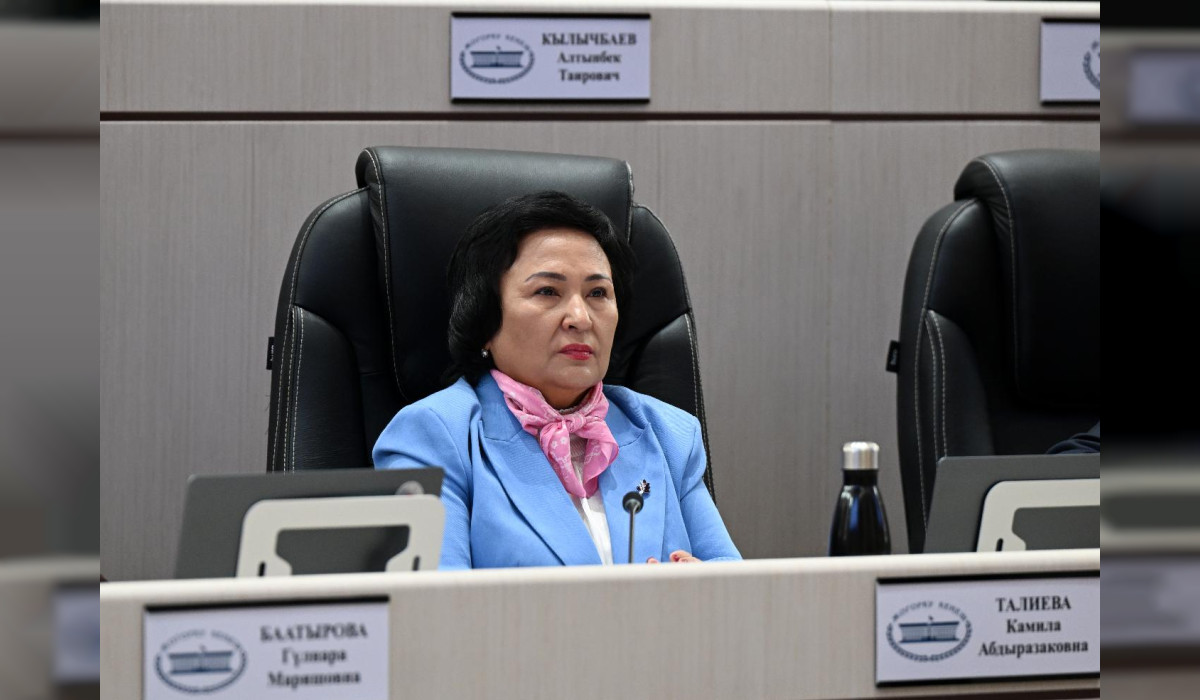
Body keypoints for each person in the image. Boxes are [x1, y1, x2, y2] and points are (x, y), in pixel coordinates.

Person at [373, 191, 741, 570]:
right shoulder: (434, 437)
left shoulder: (669, 435)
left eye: (598, 293)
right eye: (547, 291)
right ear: (483, 320)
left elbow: (733, 585)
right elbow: (435, 601)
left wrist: (702, 587)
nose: (580, 318)